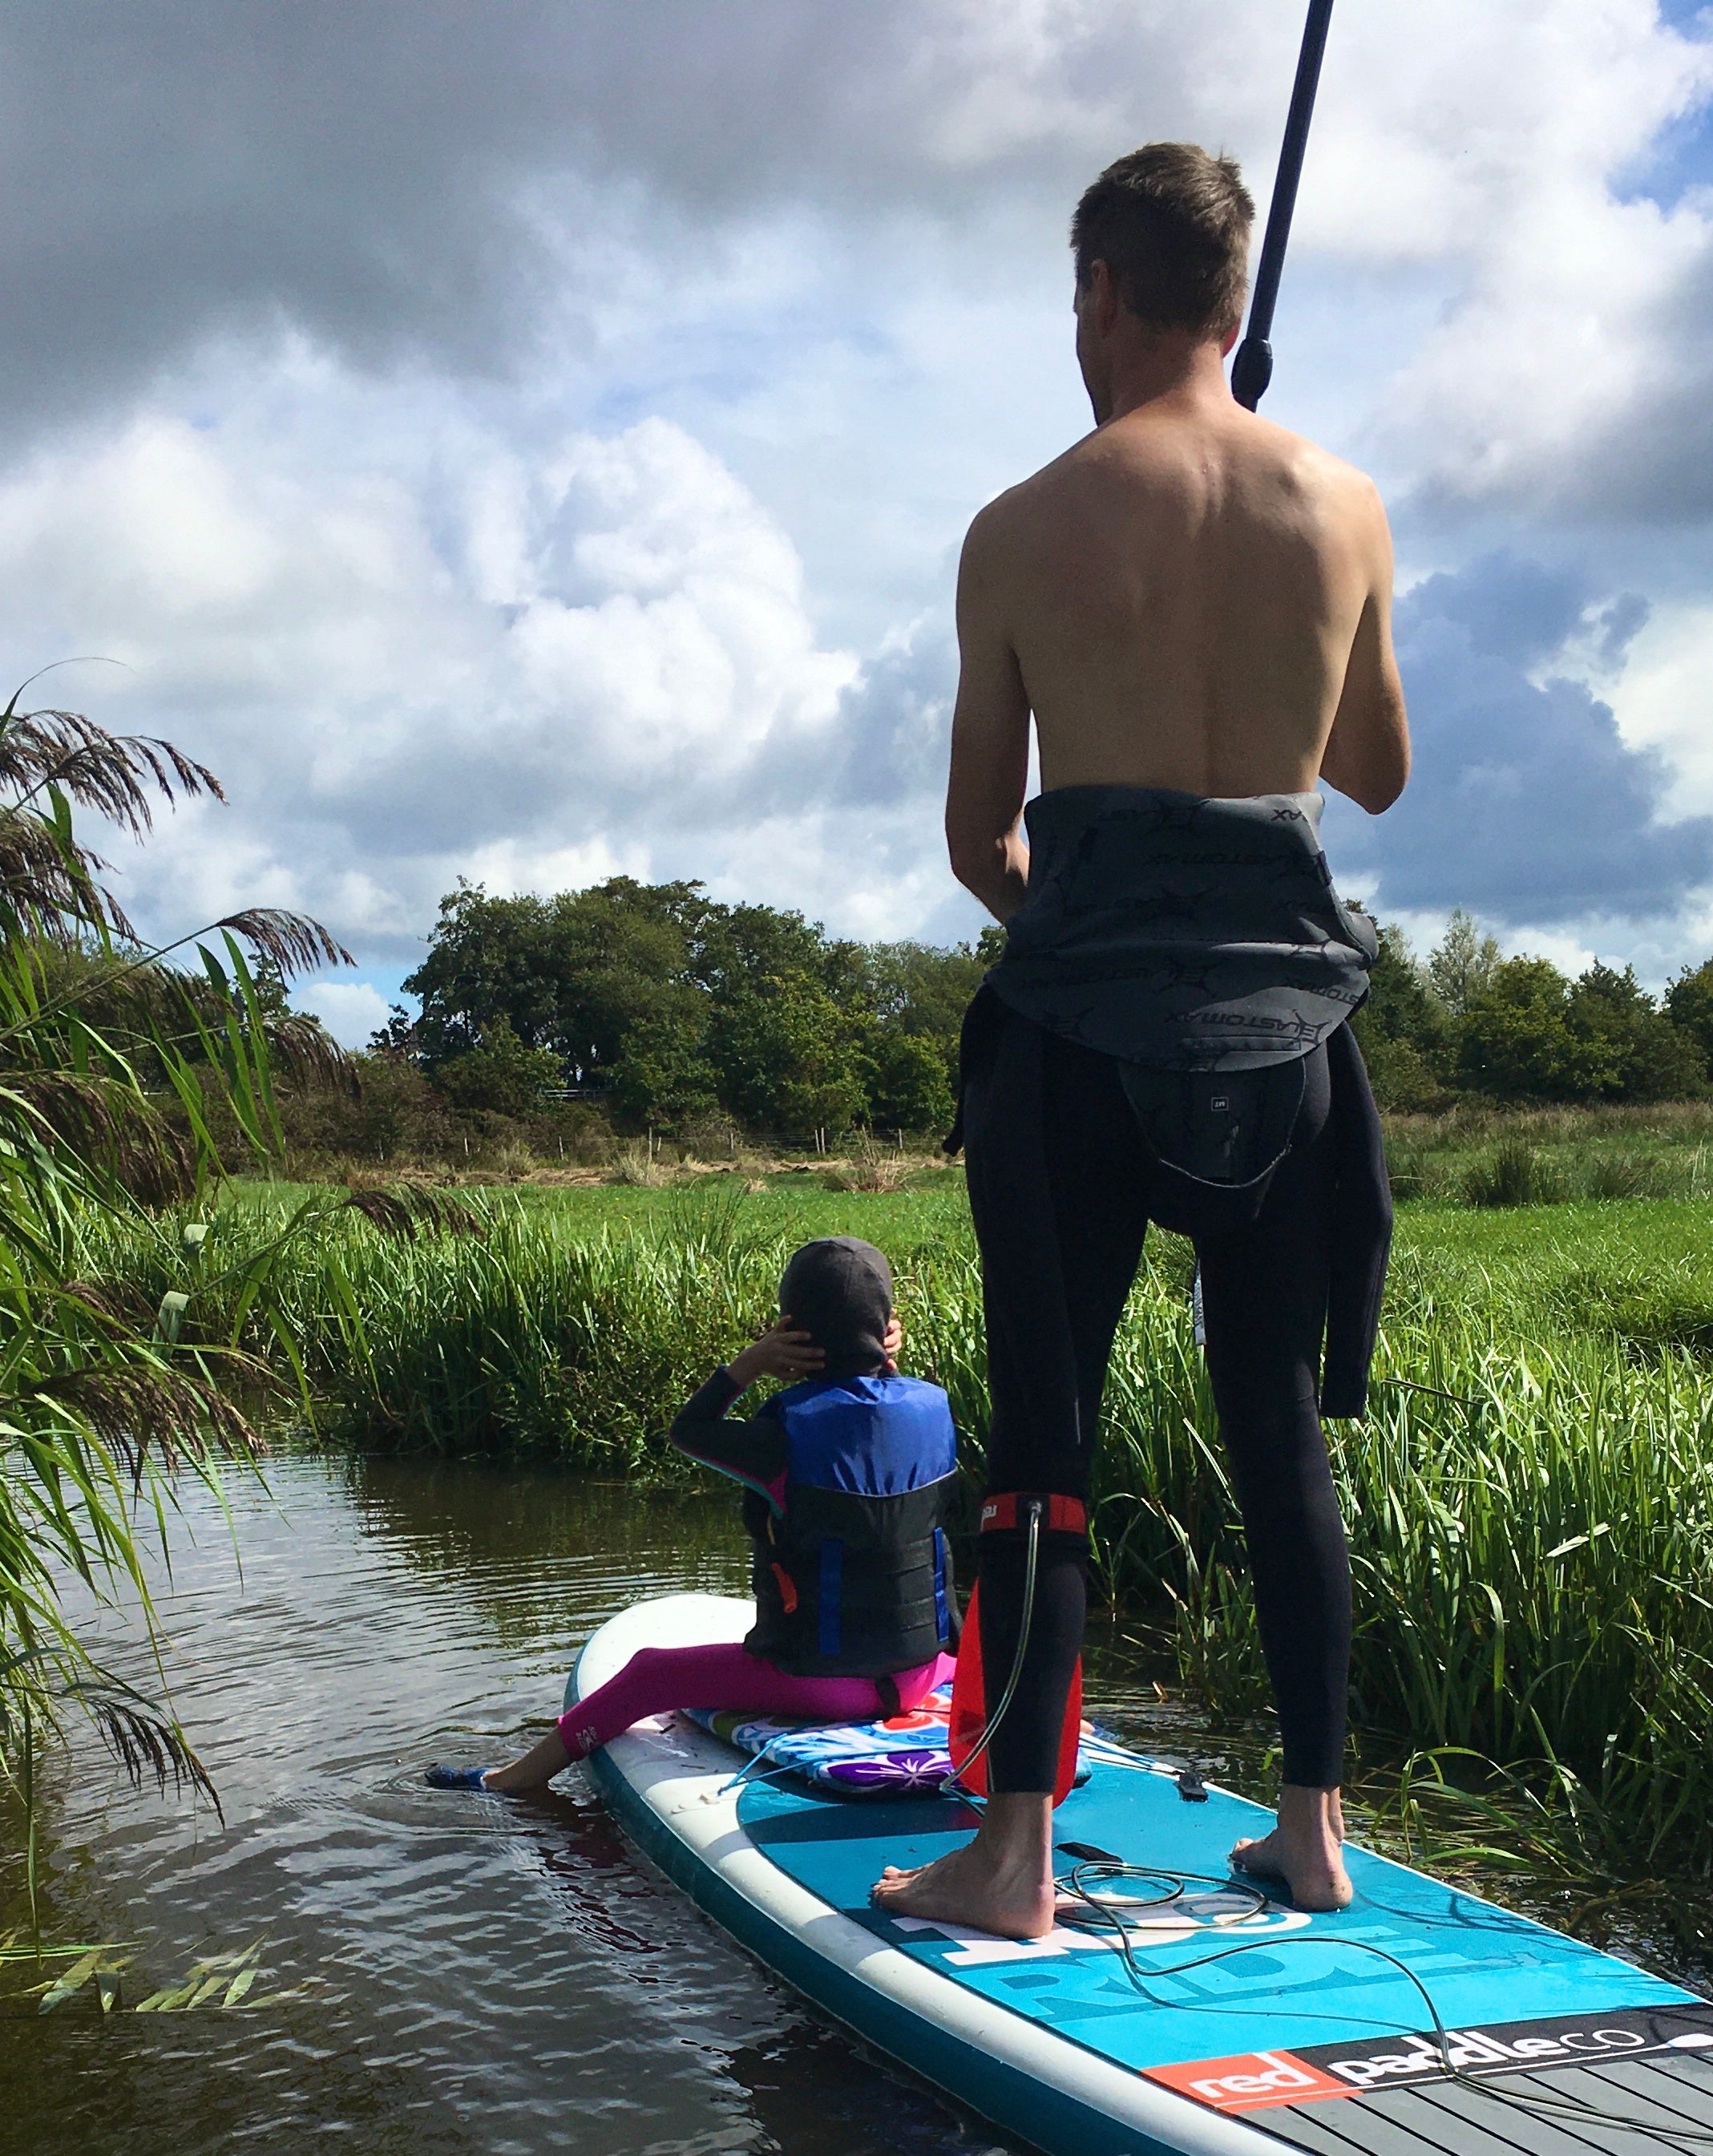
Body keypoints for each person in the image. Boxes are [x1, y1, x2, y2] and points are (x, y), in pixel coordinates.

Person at [872, 140, 1411, 1944]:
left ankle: (1013, 1856)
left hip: (1079, 1035)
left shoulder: (1020, 526)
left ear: (1100, 293)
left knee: (1045, 1439)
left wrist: (1090, 935)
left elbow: (980, 842)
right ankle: (1314, 1827)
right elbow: (1377, 771)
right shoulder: (1343, 504)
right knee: (1277, 1429)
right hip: (1292, 1039)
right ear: (1239, 306)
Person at [427, 1236, 957, 1794]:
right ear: (886, 1324)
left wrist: (746, 1366)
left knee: (651, 1672)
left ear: (788, 1327)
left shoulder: (784, 1436)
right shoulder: (936, 1409)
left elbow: (689, 1432)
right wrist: (882, 1363)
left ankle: (513, 1780)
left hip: (826, 1685)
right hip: (922, 1673)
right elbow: (878, 1428)